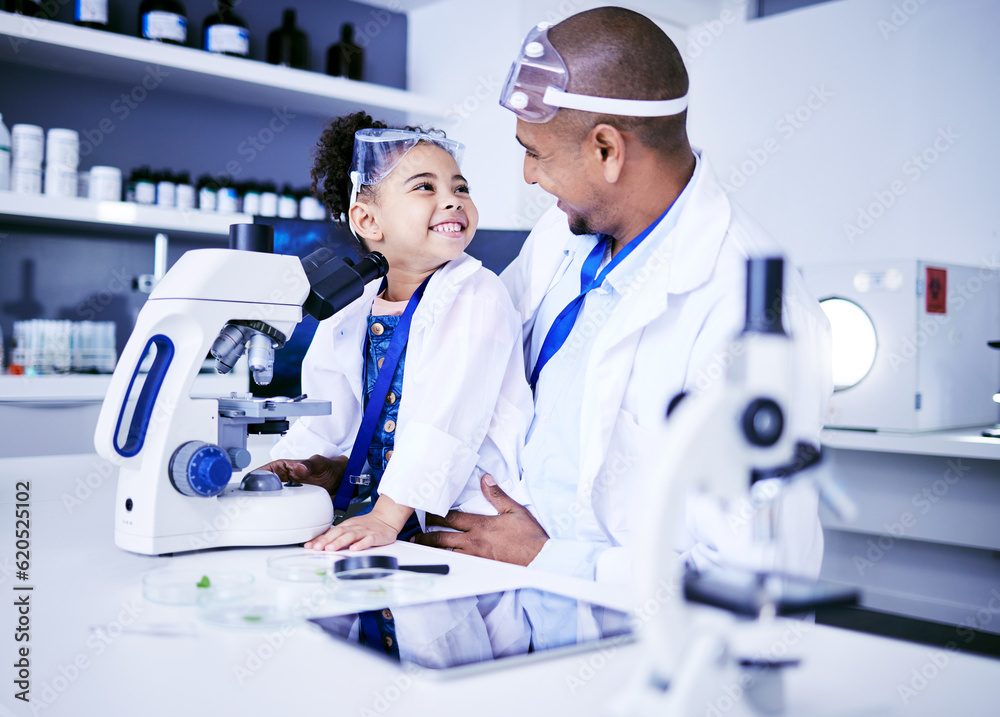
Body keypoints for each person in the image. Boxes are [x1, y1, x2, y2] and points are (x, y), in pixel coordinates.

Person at [413, 7, 832, 585]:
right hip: (515, 619)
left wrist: (550, 561)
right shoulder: (563, 233)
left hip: (628, 653)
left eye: (536, 153)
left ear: (606, 150)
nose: (529, 176)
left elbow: (759, 573)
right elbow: (471, 363)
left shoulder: (750, 309)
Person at [262, 112, 534, 551]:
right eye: (426, 187)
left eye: (460, 187)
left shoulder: (476, 293)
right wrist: (307, 464)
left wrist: (386, 518)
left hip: (459, 519)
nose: (453, 200)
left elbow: (445, 420)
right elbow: (327, 413)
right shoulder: (350, 307)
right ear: (368, 221)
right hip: (379, 519)